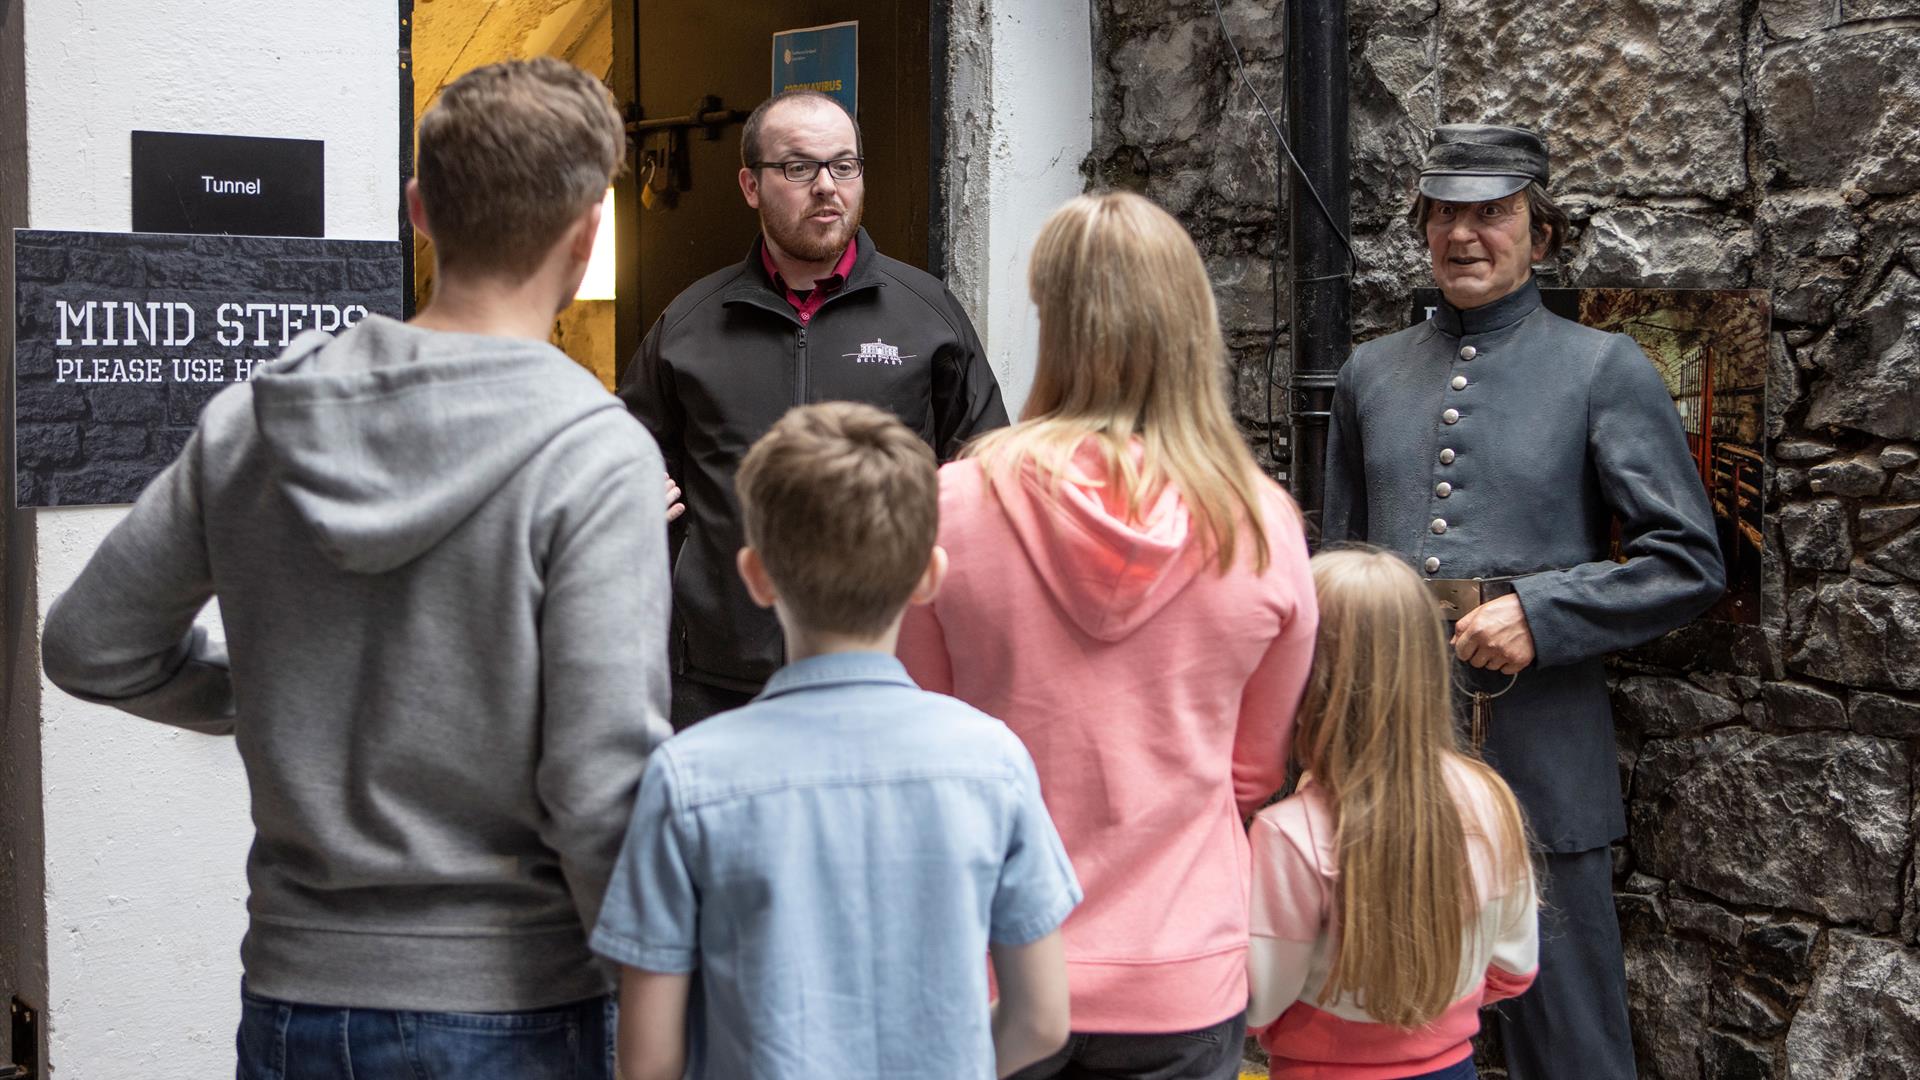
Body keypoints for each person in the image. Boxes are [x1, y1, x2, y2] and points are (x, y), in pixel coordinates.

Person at [40, 58, 671, 1079]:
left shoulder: (251, 421)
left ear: (419, 211)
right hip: (516, 1003)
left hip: (294, 1000)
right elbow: (600, 786)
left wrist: (281, 695)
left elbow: (88, 646)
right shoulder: (594, 454)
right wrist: (664, 1014)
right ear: (588, 230)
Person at [1323, 123, 1725, 1079]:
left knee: (1570, 1041)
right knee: (1385, 1030)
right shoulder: (1369, 375)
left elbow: (1687, 560)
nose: (1465, 235)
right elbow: (1333, 565)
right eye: (1446, 214)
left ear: (1540, 235)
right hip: (1395, 747)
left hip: (1541, 754)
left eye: (1492, 214)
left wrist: (1541, 615)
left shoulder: (1603, 367)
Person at [897, 191, 1319, 1080]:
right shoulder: (1263, 522)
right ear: (1191, 323)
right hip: (1178, 965)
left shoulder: (953, 505)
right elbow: (1252, 771)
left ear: (1052, 319)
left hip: (992, 966)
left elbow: (925, 731)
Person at [592, 401, 1080, 1080]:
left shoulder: (688, 778)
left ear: (755, 574)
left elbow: (648, 1061)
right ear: (929, 576)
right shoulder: (993, 763)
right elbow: (1042, 1019)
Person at [621, 89, 1009, 728]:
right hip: (720, 680)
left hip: (892, 674)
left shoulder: (926, 312)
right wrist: (631, 498)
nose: (827, 186)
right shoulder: (688, 324)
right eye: (798, 168)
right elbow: (622, 462)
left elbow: (989, 471)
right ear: (751, 185)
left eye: (845, 165)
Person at [1248, 549, 1539, 1080]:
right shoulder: (1491, 800)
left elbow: (1257, 1001)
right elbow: (1513, 968)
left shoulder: (1289, 833)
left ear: (1304, 677)